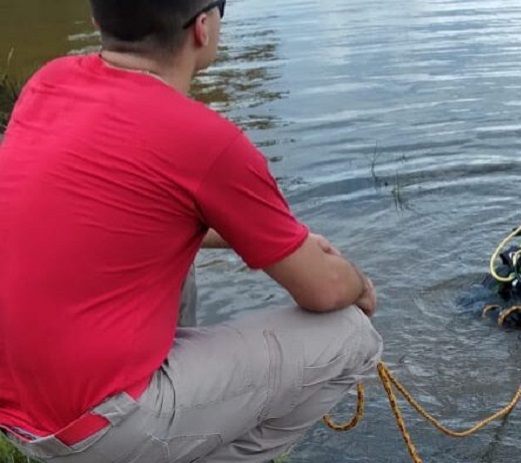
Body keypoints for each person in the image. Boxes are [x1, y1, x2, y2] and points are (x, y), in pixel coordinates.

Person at [0, 1, 383, 462]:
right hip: (93, 430)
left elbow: (125, 221)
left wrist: (275, 243)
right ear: (203, 27)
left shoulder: (50, 83)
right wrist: (357, 282)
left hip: (15, 409)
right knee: (350, 334)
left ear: (97, 19)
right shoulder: (210, 143)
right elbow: (323, 291)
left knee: (182, 263)